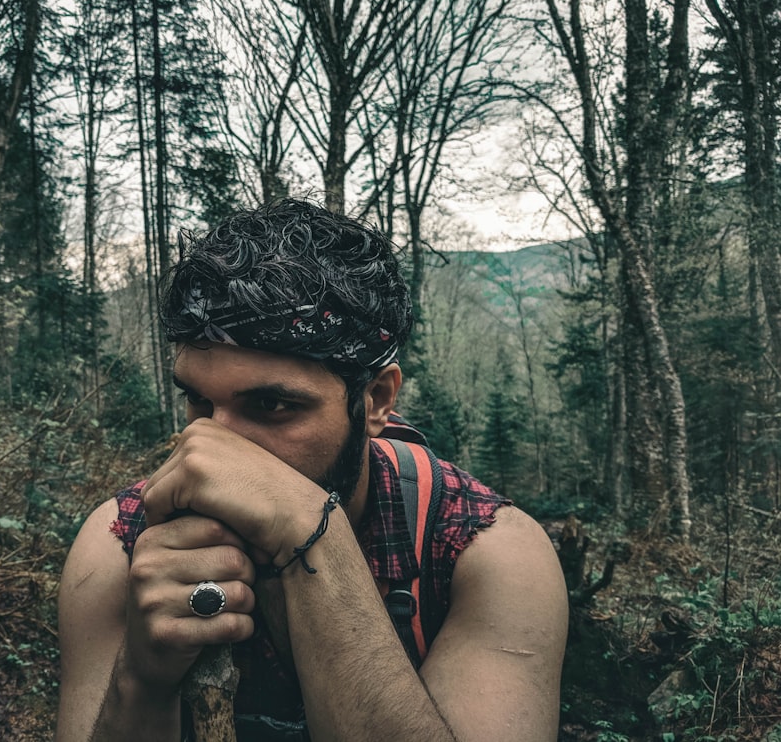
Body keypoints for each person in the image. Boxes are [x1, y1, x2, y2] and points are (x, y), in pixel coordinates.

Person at [56, 198, 568, 742]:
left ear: (374, 400)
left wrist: (311, 535)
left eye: (273, 406)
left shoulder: (482, 552)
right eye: (199, 403)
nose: (214, 447)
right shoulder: (121, 546)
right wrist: (141, 679)